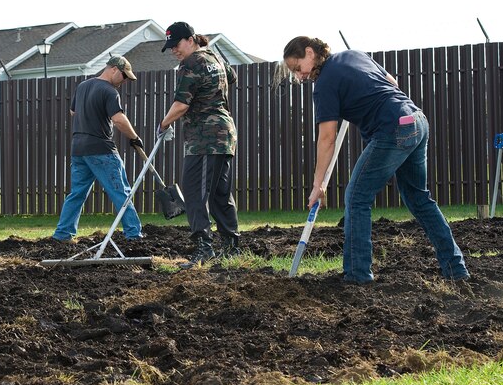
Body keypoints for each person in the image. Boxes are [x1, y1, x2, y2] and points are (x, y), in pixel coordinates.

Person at [280, 36, 469, 283]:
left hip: (391, 128)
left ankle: (357, 276)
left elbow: (327, 138)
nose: (299, 77)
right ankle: (456, 269)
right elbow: (392, 82)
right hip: (416, 120)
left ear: (309, 52)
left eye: (298, 68)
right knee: (419, 198)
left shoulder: (324, 84)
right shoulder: (353, 54)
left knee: (357, 197)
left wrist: (318, 185)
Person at [158, 22, 240, 269]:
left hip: (205, 139)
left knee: (195, 193)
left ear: (191, 39)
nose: (174, 50)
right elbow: (232, 77)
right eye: (171, 47)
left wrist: (163, 124)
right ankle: (230, 246)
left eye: (177, 44)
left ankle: (204, 248)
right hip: (225, 135)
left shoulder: (191, 63)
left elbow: (182, 104)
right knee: (219, 194)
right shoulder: (214, 56)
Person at [52, 55, 144, 242]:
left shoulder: (83, 86)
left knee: (76, 194)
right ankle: (134, 234)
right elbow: (118, 119)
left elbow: (73, 112)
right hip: (101, 149)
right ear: (114, 69)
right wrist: (134, 137)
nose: (125, 81)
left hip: (78, 149)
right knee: (120, 191)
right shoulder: (109, 91)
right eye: (124, 76)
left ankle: (62, 235)